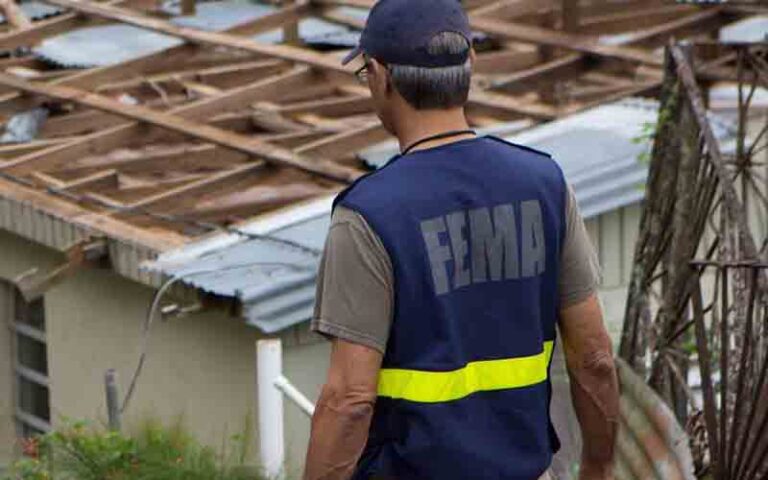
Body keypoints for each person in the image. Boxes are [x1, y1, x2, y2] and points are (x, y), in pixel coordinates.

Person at [303, 0, 619, 478]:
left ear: (379, 75)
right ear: (470, 62)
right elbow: (594, 356)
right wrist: (597, 464)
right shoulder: (545, 185)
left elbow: (349, 400)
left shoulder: (368, 215)